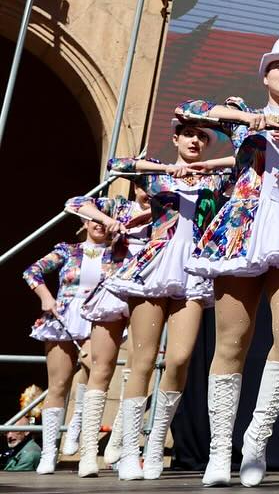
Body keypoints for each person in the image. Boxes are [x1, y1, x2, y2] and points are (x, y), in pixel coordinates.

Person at [182, 36, 279, 487]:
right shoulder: (240, 112)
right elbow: (191, 108)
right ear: (265, 75)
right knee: (232, 340)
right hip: (242, 225)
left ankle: (256, 438)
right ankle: (219, 450)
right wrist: (250, 118)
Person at [105, 121, 235, 480]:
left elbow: (243, 159)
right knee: (143, 360)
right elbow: (116, 164)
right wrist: (164, 168)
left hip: (193, 269)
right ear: (175, 138)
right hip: (156, 266)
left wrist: (207, 165)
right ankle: (129, 450)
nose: (195, 141)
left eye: (202, 137)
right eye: (189, 135)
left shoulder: (214, 180)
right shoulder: (158, 178)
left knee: (178, 359)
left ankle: (155, 444)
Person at [22, 213, 127, 473]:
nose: (99, 224)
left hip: (99, 317)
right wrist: (46, 297)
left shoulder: (119, 254)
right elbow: (31, 271)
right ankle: (48, 453)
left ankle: (78, 424)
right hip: (64, 316)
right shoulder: (67, 251)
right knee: (58, 384)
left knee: (94, 368)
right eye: (94, 219)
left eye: (105, 220)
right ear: (85, 223)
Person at [66, 186, 151, 477]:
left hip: (150, 289)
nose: (151, 190)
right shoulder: (121, 207)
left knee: (141, 368)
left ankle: (118, 440)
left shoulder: (169, 211)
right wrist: (107, 218)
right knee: (101, 368)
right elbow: (75, 202)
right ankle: (88, 453)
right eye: (146, 183)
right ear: (138, 185)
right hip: (115, 288)